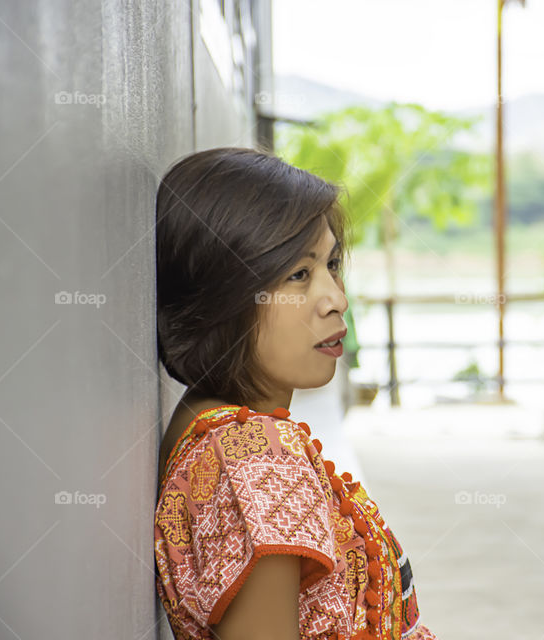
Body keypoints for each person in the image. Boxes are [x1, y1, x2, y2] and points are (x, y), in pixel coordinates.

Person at [153, 147, 436, 640]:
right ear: (225, 294)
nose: (336, 300)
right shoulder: (261, 461)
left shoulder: (205, 420)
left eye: (332, 264)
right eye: (299, 275)